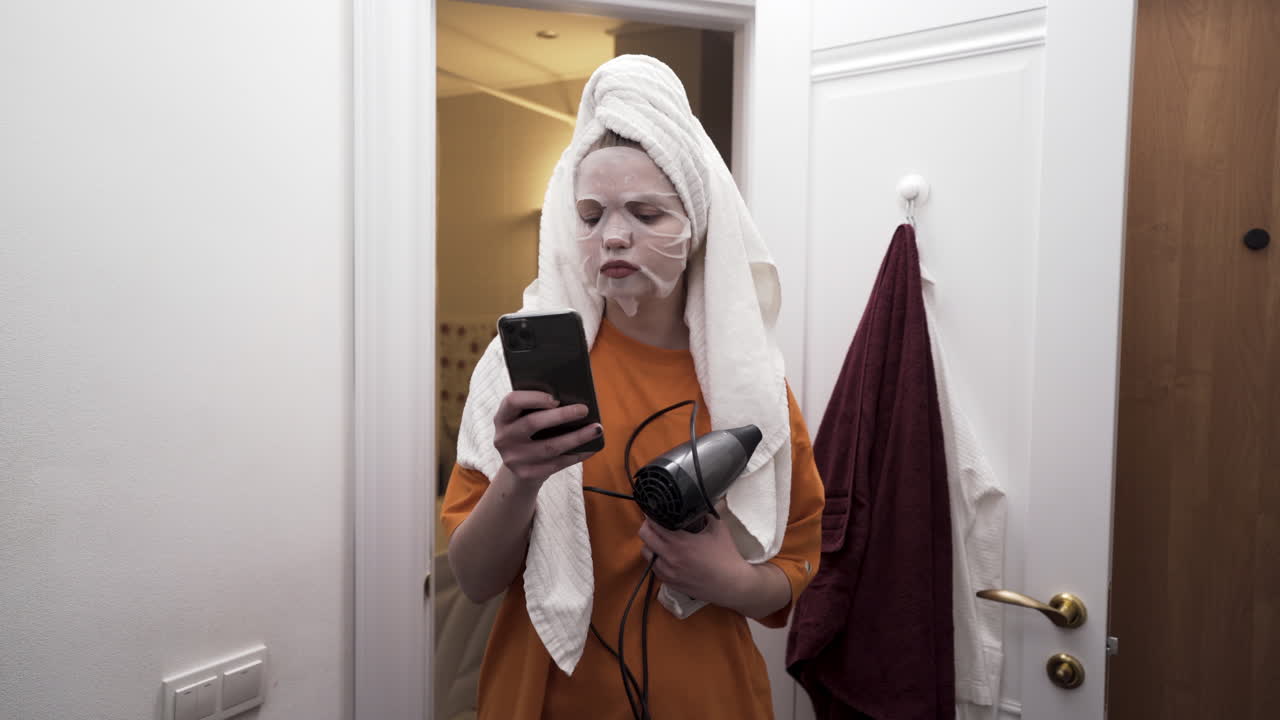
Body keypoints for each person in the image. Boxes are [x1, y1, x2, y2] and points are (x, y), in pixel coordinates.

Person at [440, 55, 824, 720]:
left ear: (695, 226)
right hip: (544, 698)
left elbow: (790, 576)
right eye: (591, 216)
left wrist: (728, 579)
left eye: (646, 213)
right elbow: (474, 580)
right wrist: (521, 477)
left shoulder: (754, 390)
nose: (613, 236)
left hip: (710, 699)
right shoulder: (514, 372)